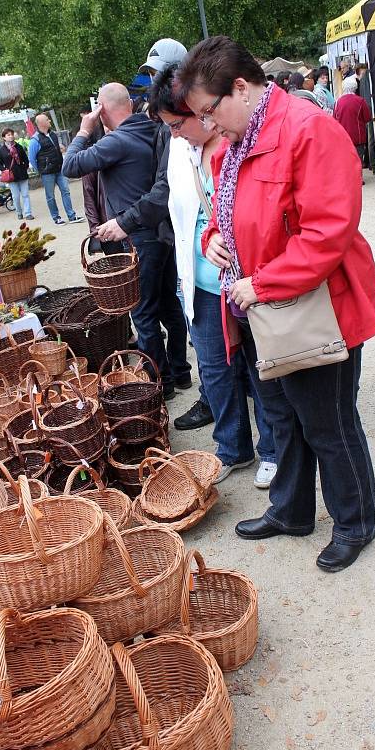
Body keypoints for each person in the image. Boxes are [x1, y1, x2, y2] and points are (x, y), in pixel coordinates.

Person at [177, 35, 375, 572]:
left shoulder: (308, 128)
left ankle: (355, 521)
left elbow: (326, 233)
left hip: (315, 309)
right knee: (281, 418)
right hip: (262, 310)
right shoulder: (239, 137)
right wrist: (211, 242)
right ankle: (290, 510)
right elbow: (222, 216)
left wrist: (261, 283)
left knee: (329, 421)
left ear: (240, 89)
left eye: (207, 111)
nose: (207, 125)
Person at [148, 65, 277, 487]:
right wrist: (206, 243)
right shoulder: (181, 151)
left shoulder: (236, 138)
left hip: (244, 279)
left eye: (177, 123)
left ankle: (273, 449)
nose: (175, 133)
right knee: (214, 368)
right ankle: (232, 447)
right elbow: (186, 218)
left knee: (260, 366)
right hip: (202, 280)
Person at [62, 83, 191, 400]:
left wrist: (84, 129)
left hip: (137, 238)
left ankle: (160, 384)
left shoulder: (116, 141)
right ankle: (181, 372)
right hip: (160, 231)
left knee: (143, 312)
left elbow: (69, 166)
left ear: (102, 109)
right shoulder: (151, 129)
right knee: (169, 305)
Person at [28, 113, 85, 226]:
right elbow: (32, 158)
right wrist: (41, 169)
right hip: (47, 172)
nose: (49, 121)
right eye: (47, 120)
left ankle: (71, 215)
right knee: (50, 196)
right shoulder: (35, 140)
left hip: (59, 169)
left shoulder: (53, 134)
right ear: (41, 123)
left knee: (66, 191)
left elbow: (55, 147)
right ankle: (56, 218)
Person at [334, 76, 372, 166]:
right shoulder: (360, 101)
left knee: (346, 160)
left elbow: (335, 119)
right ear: (355, 87)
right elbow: (367, 118)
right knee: (358, 159)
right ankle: (358, 179)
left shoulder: (338, 102)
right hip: (358, 136)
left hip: (343, 136)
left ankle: (349, 179)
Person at [0, 128, 33, 220]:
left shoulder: (19, 146)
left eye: (11, 134)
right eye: (8, 135)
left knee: (25, 195)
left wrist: (25, 166)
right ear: (4, 138)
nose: (11, 136)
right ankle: (19, 212)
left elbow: (25, 159)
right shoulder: (2, 150)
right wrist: (5, 170)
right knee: (15, 196)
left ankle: (28, 213)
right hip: (11, 176)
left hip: (22, 174)